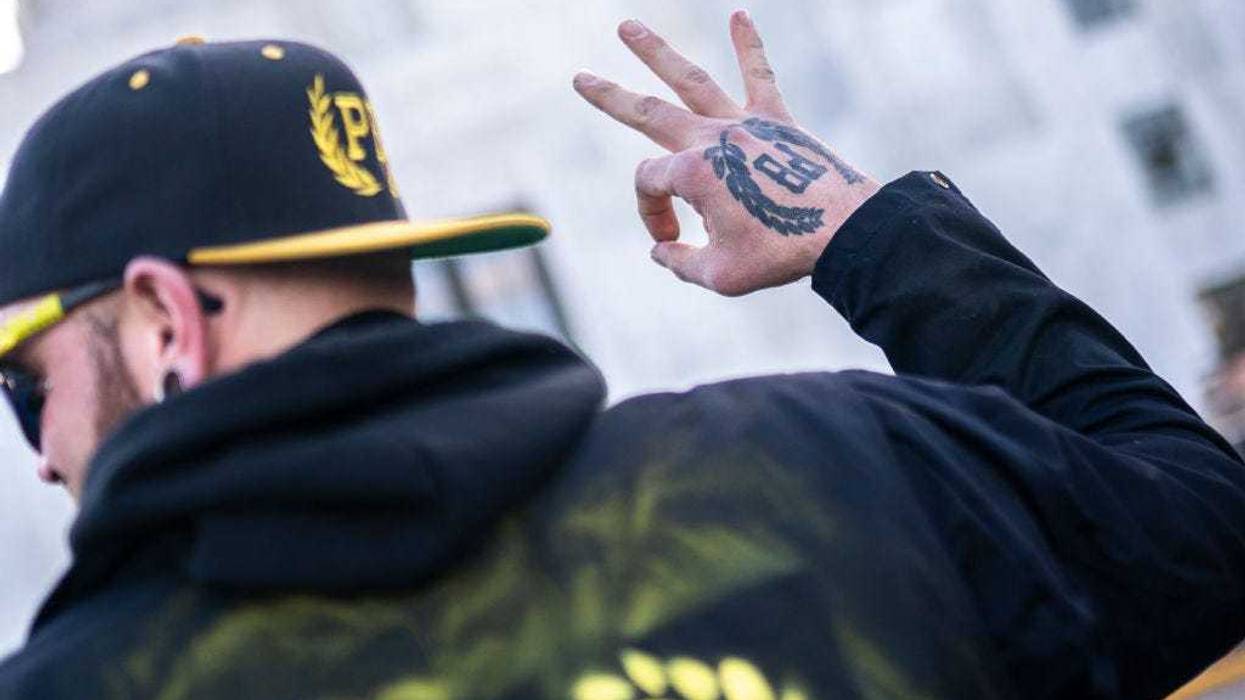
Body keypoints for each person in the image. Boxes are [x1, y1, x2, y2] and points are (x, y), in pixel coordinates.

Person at [0, 12, 1241, 700]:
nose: (46, 461)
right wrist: (871, 229)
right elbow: (1207, 541)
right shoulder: (848, 466)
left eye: (24, 388)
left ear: (168, 321)